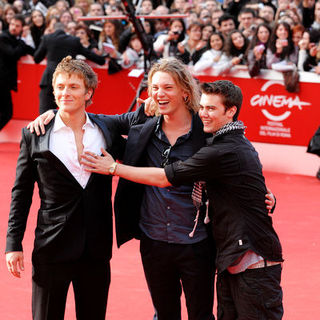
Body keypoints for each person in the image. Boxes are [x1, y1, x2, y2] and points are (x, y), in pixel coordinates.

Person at [28, 57, 275, 320]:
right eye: (154, 88)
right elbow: (89, 117)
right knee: (164, 314)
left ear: (184, 90)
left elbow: (237, 163)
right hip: (153, 241)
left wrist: (265, 193)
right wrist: (55, 114)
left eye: (167, 87)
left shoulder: (206, 131)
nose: (159, 94)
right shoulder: (142, 129)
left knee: (201, 314)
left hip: (198, 243)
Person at [82, 80, 284, 320]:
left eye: (212, 109)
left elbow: (166, 177)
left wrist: (114, 168)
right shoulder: (222, 140)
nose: (204, 114)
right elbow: (246, 178)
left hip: (250, 259)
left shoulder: (221, 148)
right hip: (229, 257)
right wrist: (55, 113)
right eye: (203, 107)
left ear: (231, 111)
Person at [5, 56, 129, 320]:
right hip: (51, 246)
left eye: (73, 87)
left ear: (88, 92)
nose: (65, 92)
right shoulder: (35, 134)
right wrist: (13, 243)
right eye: (60, 87)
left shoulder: (105, 129)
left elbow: (140, 136)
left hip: (96, 249)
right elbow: (21, 193)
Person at [34, 21, 105, 114]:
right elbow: (91, 55)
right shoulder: (73, 40)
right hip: (68, 79)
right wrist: (102, 59)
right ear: (66, 30)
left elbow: (37, 58)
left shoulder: (47, 38)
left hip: (49, 78)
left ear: (53, 29)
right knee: (69, 112)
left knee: (44, 114)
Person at [0, 14, 34, 131]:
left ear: (21, 28)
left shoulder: (16, 40)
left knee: (6, 113)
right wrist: (22, 41)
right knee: (7, 112)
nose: (14, 27)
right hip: (2, 81)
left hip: (5, 82)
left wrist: (23, 42)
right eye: (12, 24)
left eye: (17, 26)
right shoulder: (3, 37)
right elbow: (13, 54)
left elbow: (32, 51)